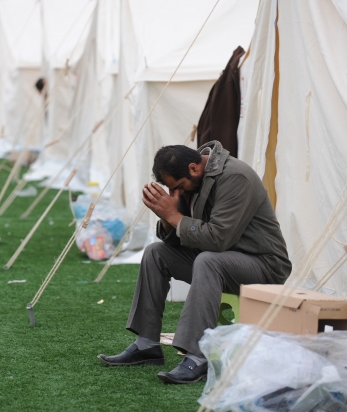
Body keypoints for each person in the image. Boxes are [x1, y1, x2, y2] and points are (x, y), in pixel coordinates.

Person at [97, 141, 291, 384]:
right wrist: (167, 219)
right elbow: (181, 239)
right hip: (221, 261)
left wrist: (173, 214)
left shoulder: (236, 177)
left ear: (194, 168)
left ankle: (198, 358)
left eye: (179, 187)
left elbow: (218, 239)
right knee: (155, 253)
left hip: (264, 266)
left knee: (208, 260)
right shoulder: (195, 179)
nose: (178, 192)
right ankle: (147, 345)